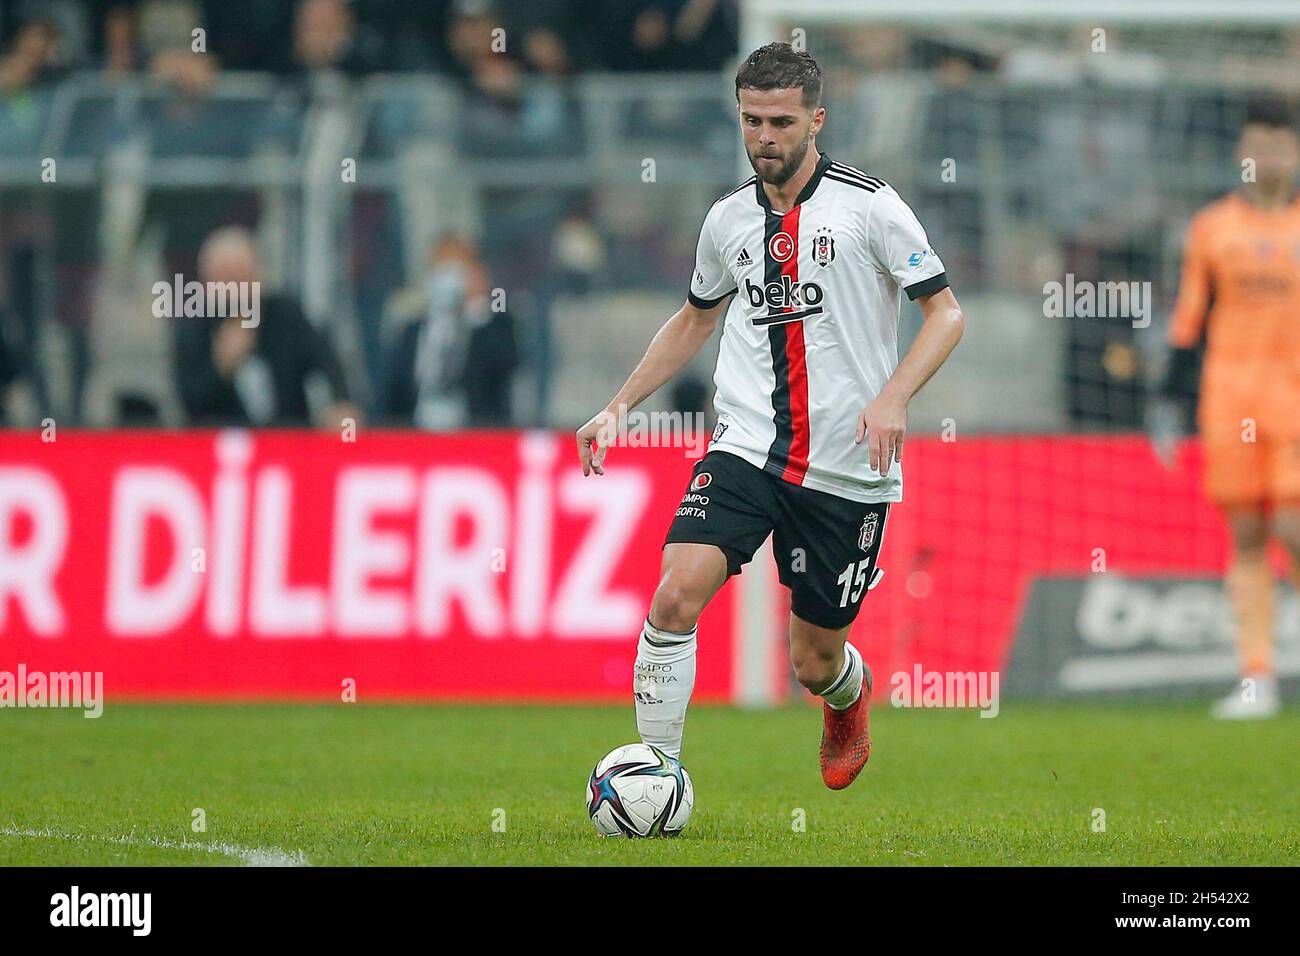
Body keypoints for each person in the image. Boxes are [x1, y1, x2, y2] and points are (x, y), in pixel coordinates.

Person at [575, 43, 964, 790]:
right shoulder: (725, 220)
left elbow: (945, 315)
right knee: (674, 591)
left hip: (847, 465)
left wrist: (894, 396)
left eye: (781, 122)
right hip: (746, 447)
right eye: (751, 121)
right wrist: (621, 403)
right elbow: (693, 320)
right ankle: (658, 771)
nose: (765, 138)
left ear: (816, 119)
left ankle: (848, 698)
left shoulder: (871, 207)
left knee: (812, 661)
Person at [1158, 100, 1300, 720]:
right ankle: (1256, 677)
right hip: (1229, 398)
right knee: (1246, 536)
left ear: (1292, 154)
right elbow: (1191, 321)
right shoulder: (1213, 227)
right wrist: (1167, 399)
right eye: (1252, 147)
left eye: (1273, 146)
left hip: (1295, 401)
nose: (1261, 158)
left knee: (1293, 530)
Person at [173, 226, 358, 429]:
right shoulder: (194, 328)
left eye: (241, 274)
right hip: (219, 441)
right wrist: (221, 367)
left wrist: (339, 404)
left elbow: (325, 363)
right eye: (225, 276)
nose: (234, 285)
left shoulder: (284, 317)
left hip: (288, 438)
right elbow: (190, 403)